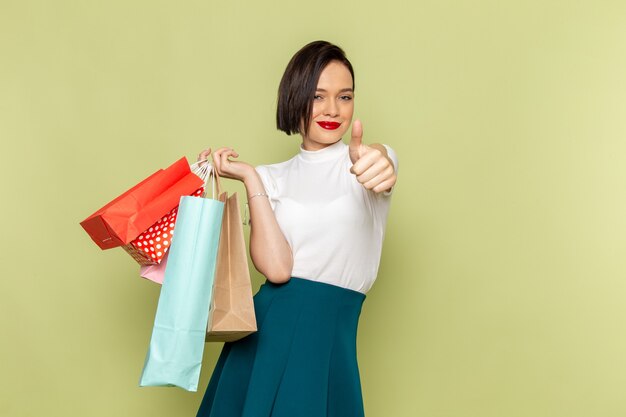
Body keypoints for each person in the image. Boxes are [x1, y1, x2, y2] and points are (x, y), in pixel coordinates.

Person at [195, 40, 398, 417]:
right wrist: (251, 178)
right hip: (267, 332)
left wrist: (379, 165)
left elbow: (382, 169)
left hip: (330, 335)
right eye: (318, 96)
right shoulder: (272, 179)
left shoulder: (366, 160)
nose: (332, 110)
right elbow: (277, 270)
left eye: (345, 96)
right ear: (296, 97)